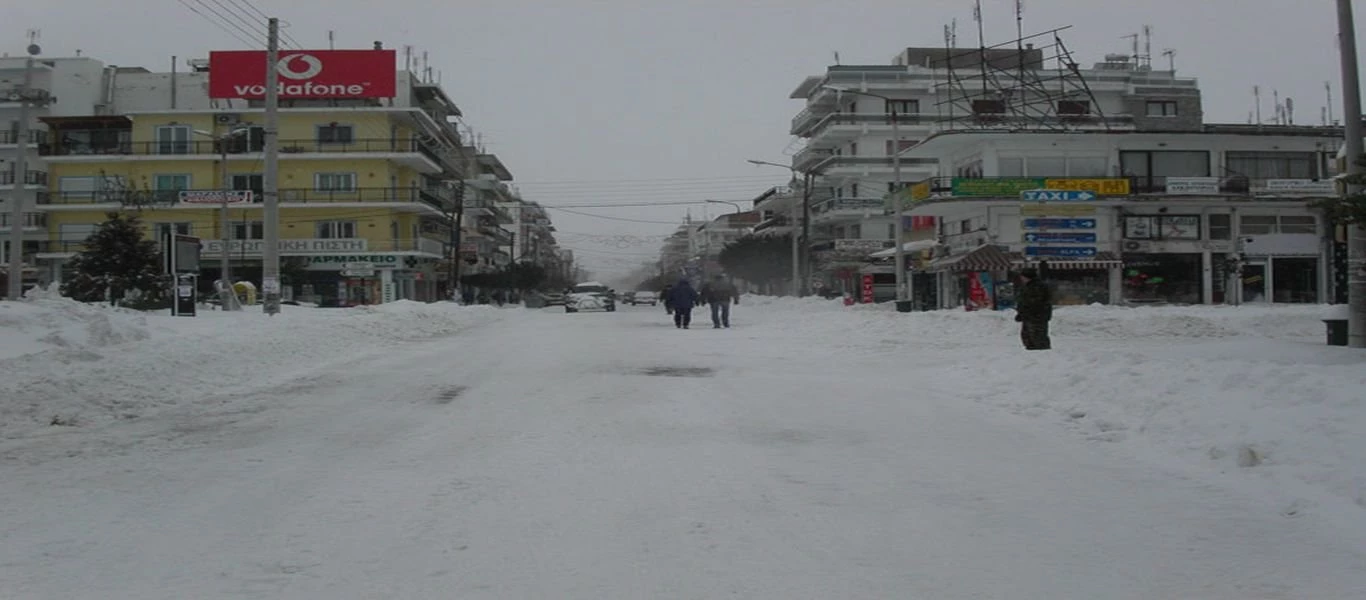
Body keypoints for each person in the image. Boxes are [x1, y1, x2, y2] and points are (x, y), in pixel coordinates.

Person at [1014, 267, 1053, 350]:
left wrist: (1023, 312)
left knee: (1038, 338)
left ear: (1027, 277)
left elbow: (1034, 303)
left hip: (1036, 317)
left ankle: (1042, 355)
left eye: (1022, 276)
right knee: (1028, 337)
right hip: (1029, 316)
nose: (1021, 278)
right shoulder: (1028, 286)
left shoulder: (1037, 287)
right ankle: (1032, 353)